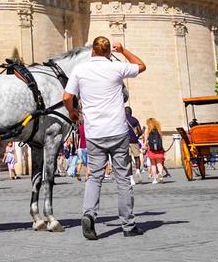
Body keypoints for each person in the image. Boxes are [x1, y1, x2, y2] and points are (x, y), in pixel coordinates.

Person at [63, 36, 147, 240]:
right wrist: (123, 50)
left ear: (92, 50)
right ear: (109, 52)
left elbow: (66, 97)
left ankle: (89, 214)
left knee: (94, 177)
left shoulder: (80, 70)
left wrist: (73, 112)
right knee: (123, 179)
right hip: (117, 131)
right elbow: (141, 66)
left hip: (94, 133)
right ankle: (128, 225)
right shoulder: (116, 68)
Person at [143, 118, 167, 183]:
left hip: (151, 149)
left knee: (153, 165)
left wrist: (144, 146)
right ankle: (160, 174)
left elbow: (146, 140)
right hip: (159, 149)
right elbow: (161, 139)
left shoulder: (147, 130)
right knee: (159, 164)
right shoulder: (158, 129)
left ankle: (154, 179)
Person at [126, 107, 144, 185]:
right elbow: (139, 131)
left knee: (129, 160)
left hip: (125, 142)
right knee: (137, 157)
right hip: (134, 141)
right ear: (131, 112)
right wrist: (137, 136)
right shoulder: (134, 120)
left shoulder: (122, 119)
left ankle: (131, 178)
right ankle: (137, 170)